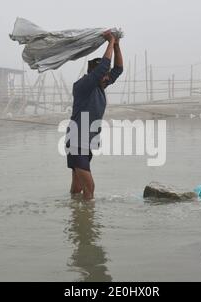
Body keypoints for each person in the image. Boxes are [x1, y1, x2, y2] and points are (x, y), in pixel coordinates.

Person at [66, 30, 123, 200]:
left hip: (86, 142)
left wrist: (117, 46)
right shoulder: (83, 85)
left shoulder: (100, 86)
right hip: (77, 141)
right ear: (94, 74)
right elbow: (104, 68)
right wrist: (110, 42)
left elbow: (118, 69)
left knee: (77, 187)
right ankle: (86, 223)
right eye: (104, 75)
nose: (107, 78)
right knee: (89, 188)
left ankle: (75, 214)